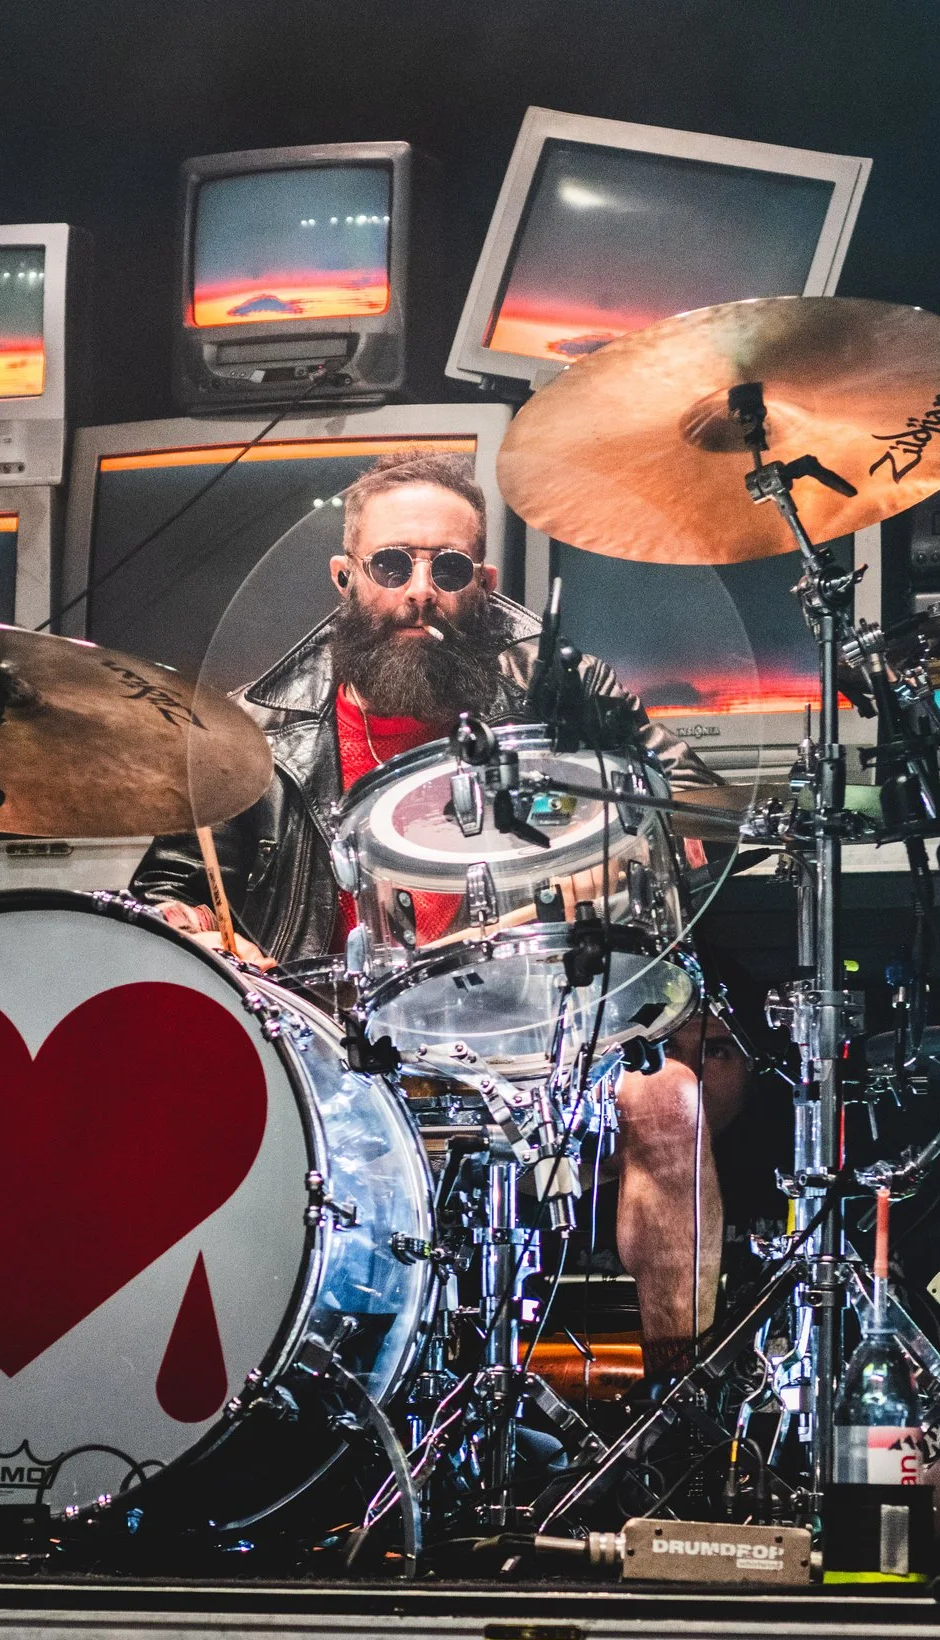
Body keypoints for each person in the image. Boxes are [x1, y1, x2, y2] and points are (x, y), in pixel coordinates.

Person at [130, 447, 743, 1377]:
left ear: (482, 585)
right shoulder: (255, 728)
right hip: (338, 1045)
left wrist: (619, 860)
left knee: (672, 1102)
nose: (420, 590)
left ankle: (679, 1414)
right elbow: (164, 892)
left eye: (447, 568)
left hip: (535, 1038)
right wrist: (198, 931)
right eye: (392, 563)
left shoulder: (556, 686)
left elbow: (700, 809)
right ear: (346, 578)